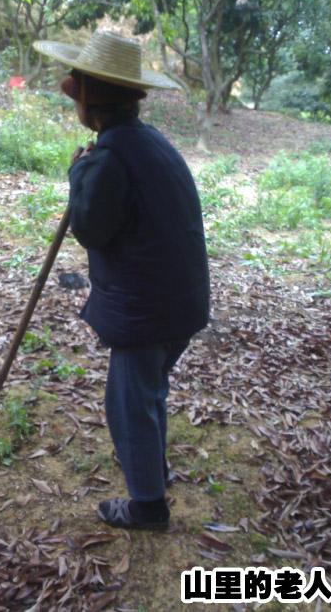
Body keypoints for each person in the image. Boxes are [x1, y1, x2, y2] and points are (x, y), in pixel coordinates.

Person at [35, 31, 210, 530]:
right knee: (148, 392)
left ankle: (148, 506)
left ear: (90, 100)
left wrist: (78, 173)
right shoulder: (150, 141)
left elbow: (91, 228)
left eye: (77, 92)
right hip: (180, 302)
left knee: (128, 404)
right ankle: (151, 465)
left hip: (148, 310)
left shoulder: (110, 158)